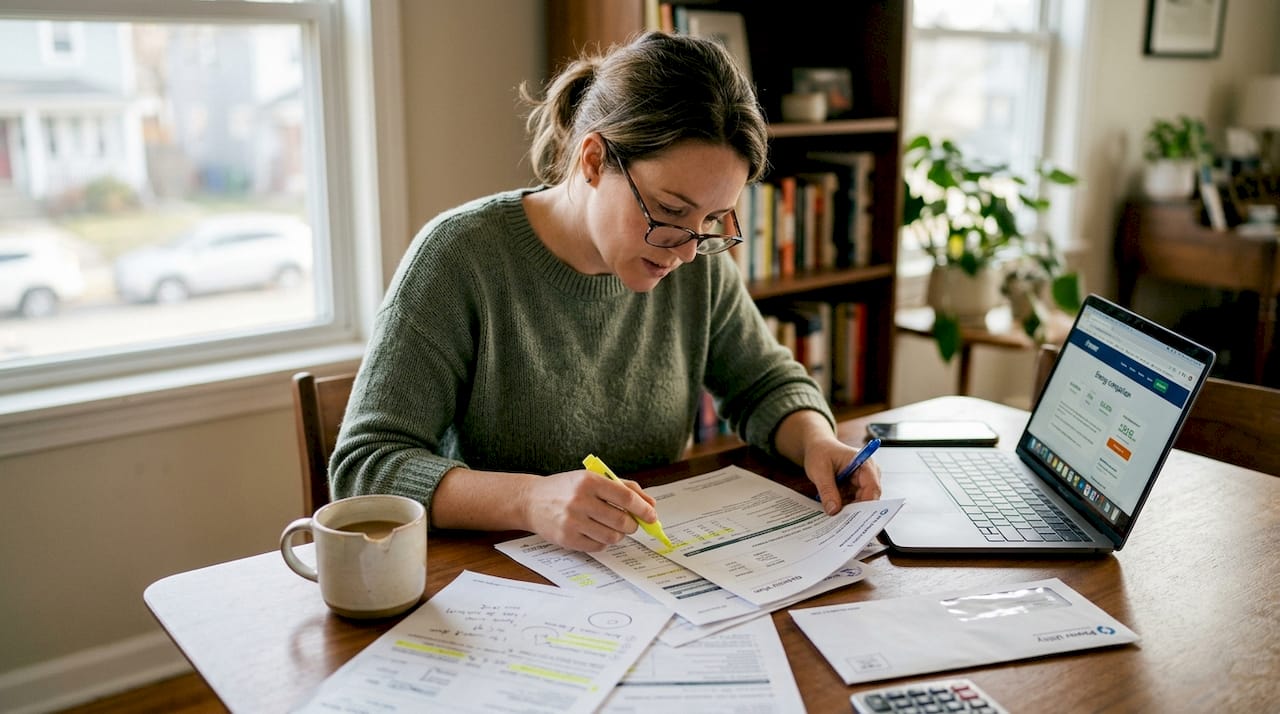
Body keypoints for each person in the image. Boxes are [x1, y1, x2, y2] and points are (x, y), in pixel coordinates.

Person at [330, 31, 881, 552]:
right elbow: (365, 467)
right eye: (669, 210)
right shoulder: (460, 257)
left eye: (712, 220)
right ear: (593, 160)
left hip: (643, 571)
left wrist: (815, 442)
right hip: (494, 578)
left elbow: (763, 384)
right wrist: (528, 499)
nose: (687, 250)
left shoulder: (691, 260)